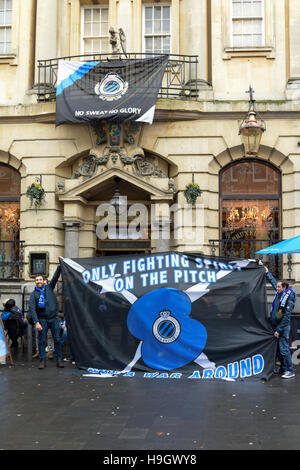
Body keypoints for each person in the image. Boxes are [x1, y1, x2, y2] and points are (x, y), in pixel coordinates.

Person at [259, 260, 296, 379]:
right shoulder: (281, 292)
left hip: (283, 327)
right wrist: (266, 270)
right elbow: (274, 282)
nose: (276, 288)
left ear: (284, 287)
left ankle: (290, 370)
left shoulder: (289, 297)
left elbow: (286, 317)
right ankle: (282, 368)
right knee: (280, 350)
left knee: (284, 348)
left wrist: (278, 330)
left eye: (279, 287)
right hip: (276, 325)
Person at [29, 260, 64, 369]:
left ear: (44, 281)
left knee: (57, 340)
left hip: (53, 319)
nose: (38, 281)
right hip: (42, 320)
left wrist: (60, 265)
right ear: (35, 282)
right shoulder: (33, 294)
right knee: (42, 341)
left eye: (40, 279)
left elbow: (55, 277)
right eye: (36, 280)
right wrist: (36, 322)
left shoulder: (49, 288)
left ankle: (59, 360)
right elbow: (32, 309)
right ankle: (42, 361)